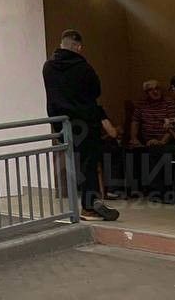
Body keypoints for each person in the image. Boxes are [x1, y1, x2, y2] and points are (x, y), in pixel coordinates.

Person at [42, 29, 119, 220]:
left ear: (61, 44)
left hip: (61, 123)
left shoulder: (48, 67)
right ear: (78, 47)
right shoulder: (83, 67)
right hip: (85, 122)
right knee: (89, 164)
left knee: (73, 162)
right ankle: (89, 206)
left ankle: (84, 205)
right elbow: (96, 91)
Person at [129, 80, 175, 148]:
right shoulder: (141, 103)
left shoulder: (169, 102)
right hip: (146, 142)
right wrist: (134, 139)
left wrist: (162, 142)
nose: (155, 92)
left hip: (165, 142)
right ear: (146, 93)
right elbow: (135, 122)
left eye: (157, 88)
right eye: (150, 90)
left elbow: (172, 125)